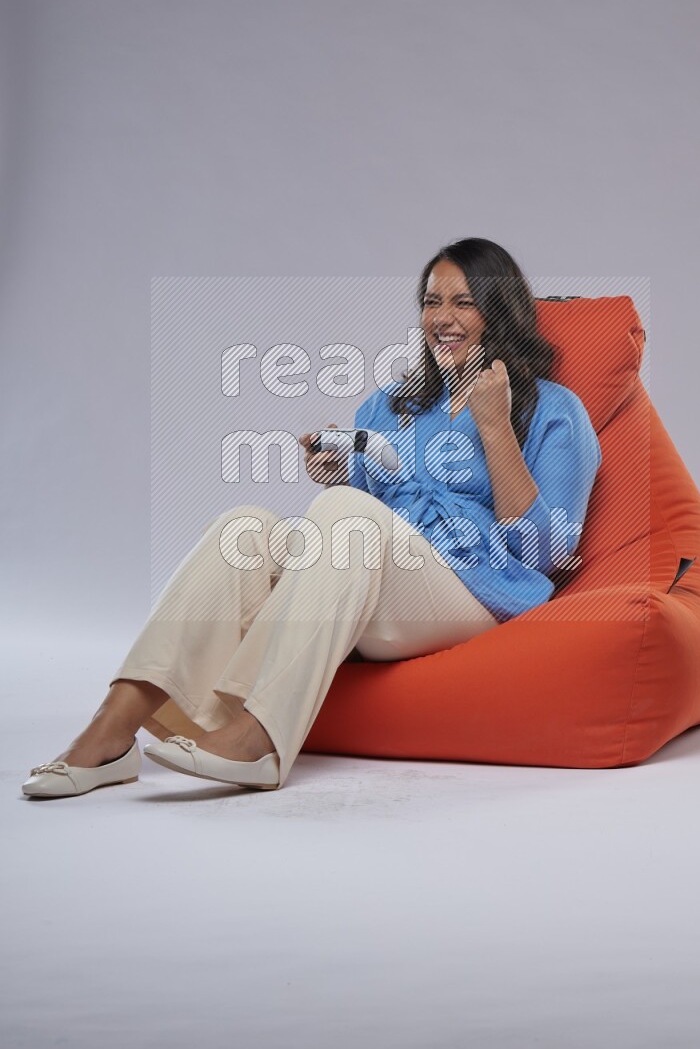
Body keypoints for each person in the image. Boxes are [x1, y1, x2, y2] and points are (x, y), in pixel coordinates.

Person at [21, 238, 602, 798]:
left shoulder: (552, 408)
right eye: (431, 302)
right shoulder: (389, 404)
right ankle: (112, 729)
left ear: (499, 313)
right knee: (243, 528)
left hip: (477, 591)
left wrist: (496, 426)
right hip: (380, 581)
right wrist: (340, 473)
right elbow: (370, 515)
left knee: (348, 514)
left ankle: (258, 736)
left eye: (462, 302)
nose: (442, 318)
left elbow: (543, 553)